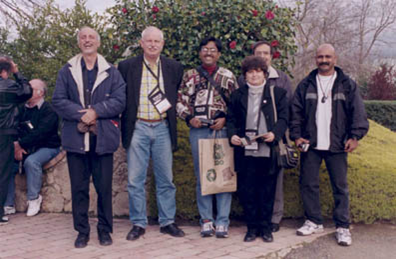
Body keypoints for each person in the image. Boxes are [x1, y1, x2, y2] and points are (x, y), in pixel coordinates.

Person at [52, 26, 126, 248]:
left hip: (102, 140)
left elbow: (120, 101)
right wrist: (82, 115)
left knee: (104, 189)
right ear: (78, 43)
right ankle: (82, 231)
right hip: (76, 140)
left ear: (98, 42)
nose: (87, 40)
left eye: (91, 37)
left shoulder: (112, 72)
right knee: (79, 189)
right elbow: (58, 100)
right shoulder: (66, 71)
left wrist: (97, 112)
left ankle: (104, 230)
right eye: (83, 37)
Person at [290, 44, 369, 246]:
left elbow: (358, 113)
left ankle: (342, 227)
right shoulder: (306, 84)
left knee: (340, 187)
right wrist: (297, 136)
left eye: (328, 57)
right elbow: (296, 113)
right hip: (311, 144)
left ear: (335, 58)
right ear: (315, 59)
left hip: (338, 145)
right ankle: (314, 221)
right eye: (320, 57)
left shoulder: (347, 84)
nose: (323, 60)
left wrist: (355, 136)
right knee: (308, 184)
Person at [118, 26, 185, 241]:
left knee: (166, 178)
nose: (153, 44)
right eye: (149, 41)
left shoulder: (174, 67)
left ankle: (167, 221)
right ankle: (138, 223)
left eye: (157, 41)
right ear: (142, 43)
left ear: (162, 44)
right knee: (135, 179)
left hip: (163, 127)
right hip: (138, 127)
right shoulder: (126, 66)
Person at [176, 36, 238, 238]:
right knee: (202, 175)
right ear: (200, 52)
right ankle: (206, 220)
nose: (208, 52)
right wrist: (189, 118)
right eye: (205, 49)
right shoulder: (190, 76)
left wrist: (226, 120)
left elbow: (238, 105)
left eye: (213, 49)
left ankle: (222, 221)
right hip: (199, 129)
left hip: (222, 130)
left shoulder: (228, 76)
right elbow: (180, 102)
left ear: (219, 54)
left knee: (224, 173)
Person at [227, 56, 288, 242]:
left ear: (264, 74)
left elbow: (284, 118)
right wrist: (232, 135)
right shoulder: (237, 95)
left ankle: (266, 228)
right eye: (250, 72)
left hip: (267, 148)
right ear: (245, 75)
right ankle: (252, 228)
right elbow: (230, 120)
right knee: (248, 191)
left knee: (267, 191)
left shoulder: (277, 93)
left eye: (258, 71)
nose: (254, 75)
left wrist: (275, 134)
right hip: (245, 150)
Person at [238, 41, 293, 232]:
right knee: (250, 186)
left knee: (272, 185)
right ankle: (253, 226)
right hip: (247, 146)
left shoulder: (282, 82)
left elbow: (287, 112)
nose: (262, 56)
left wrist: (277, 134)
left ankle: (272, 221)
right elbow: (235, 116)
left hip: (271, 143)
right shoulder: (241, 86)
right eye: (258, 53)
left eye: (266, 53)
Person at [4, 79, 61, 217]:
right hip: (25, 147)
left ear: (40, 93)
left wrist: (20, 145)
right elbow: (14, 128)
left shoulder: (49, 110)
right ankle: (8, 204)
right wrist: (17, 145)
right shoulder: (21, 109)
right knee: (7, 163)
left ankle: (33, 198)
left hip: (47, 147)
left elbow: (41, 134)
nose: (26, 91)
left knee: (32, 162)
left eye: (31, 88)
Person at [0, 56, 32, 225]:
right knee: (3, 172)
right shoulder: (9, 86)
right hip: (4, 133)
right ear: (5, 71)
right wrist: (17, 72)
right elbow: (27, 91)